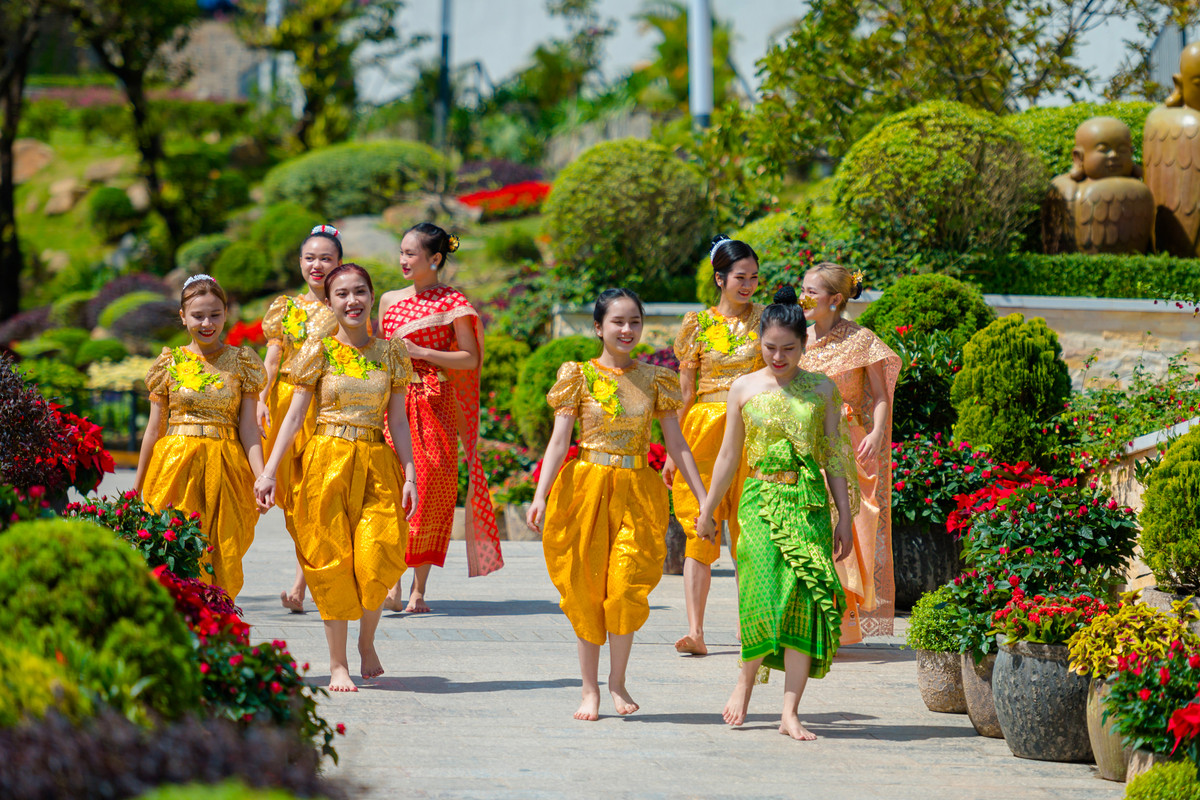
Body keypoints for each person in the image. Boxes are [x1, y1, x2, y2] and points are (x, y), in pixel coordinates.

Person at [527, 288, 708, 721]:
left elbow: (677, 444)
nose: (627, 330)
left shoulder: (655, 379)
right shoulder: (578, 376)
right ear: (598, 327)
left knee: (626, 586)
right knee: (587, 588)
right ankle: (589, 689)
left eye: (634, 322)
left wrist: (704, 497)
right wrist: (540, 493)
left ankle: (617, 682)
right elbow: (559, 441)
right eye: (617, 322)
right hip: (586, 486)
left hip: (637, 490)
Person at [696, 286, 857, 741]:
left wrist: (844, 516)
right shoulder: (743, 387)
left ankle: (790, 712)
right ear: (760, 343)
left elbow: (834, 458)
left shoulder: (823, 389)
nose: (779, 357)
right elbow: (728, 455)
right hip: (760, 503)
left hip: (807, 506)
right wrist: (708, 512)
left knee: (803, 602)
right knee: (763, 600)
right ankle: (744, 684)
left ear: (804, 346)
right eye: (770, 348)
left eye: (789, 348)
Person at [254, 263, 418, 692]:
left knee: (376, 555)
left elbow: (398, 422)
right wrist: (269, 471)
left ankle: (367, 644)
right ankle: (339, 663)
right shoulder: (317, 351)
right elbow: (293, 417)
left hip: (377, 463)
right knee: (331, 561)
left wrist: (410, 474)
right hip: (326, 459)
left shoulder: (392, 353)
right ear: (329, 303)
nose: (353, 301)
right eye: (342, 294)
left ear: (370, 295)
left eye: (360, 291)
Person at [378, 222, 503, 613]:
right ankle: (391, 580)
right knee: (393, 486)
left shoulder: (453, 303)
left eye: (410, 254)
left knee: (431, 492)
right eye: (401, 252)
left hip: (436, 404)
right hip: (394, 402)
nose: (403, 260)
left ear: (434, 259)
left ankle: (419, 590)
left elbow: (470, 358)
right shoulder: (386, 300)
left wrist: (424, 352)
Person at [135, 275, 267, 602]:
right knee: (177, 550)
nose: (207, 323)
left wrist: (263, 475)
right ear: (183, 316)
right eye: (198, 316)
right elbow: (154, 429)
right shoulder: (169, 363)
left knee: (223, 552)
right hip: (174, 470)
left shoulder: (243, 362)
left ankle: (217, 628)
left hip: (227, 470)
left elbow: (248, 428)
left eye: (215, 315)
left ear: (226, 313)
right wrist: (137, 489)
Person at [665, 234, 764, 656]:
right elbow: (685, 394)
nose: (748, 286)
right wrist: (674, 452)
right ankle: (696, 632)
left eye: (754, 278)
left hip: (753, 429)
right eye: (741, 277)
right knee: (698, 528)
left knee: (750, 530)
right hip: (703, 429)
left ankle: (752, 628)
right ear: (719, 278)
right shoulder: (696, 325)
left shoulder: (767, 318)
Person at [798, 263, 900, 643]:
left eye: (811, 290)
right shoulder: (797, 337)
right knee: (808, 529)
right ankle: (807, 620)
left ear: (835, 299)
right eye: (802, 288)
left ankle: (834, 624)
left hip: (846, 443)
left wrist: (875, 433)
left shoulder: (862, 340)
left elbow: (881, 395)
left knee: (845, 532)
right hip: (804, 444)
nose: (802, 296)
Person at [258, 224, 340, 613]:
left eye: (326, 258)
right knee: (292, 500)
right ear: (300, 262)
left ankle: (301, 583)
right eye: (310, 257)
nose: (317, 265)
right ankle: (308, 575)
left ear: (339, 262)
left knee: (314, 495)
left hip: (322, 404)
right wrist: (260, 397)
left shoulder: (345, 303)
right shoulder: (285, 308)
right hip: (284, 404)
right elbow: (273, 357)